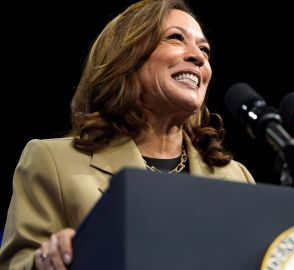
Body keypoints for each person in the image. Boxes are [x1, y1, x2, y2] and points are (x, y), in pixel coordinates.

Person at [0, 0, 255, 269]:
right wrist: (45, 261)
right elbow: (17, 264)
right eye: (176, 38)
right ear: (127, 57)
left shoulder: (237, 178)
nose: (199, 57)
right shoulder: (53, 162)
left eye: (204, 49)